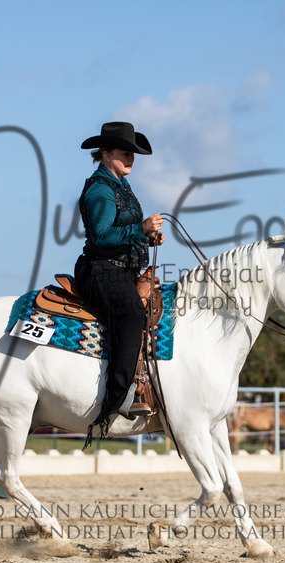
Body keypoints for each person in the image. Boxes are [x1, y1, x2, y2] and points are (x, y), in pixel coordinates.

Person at [74, 122, 165, 437]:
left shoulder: (120, 185)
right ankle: (117, 397)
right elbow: (101, 235)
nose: (131, 158)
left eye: (133, 153)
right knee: (131, 313)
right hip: (101, 270)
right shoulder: (100, 188)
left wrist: (147, 239)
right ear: (105, 153)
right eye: (125, 152)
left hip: (120, 268)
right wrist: (140, 229)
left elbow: (121, 232)